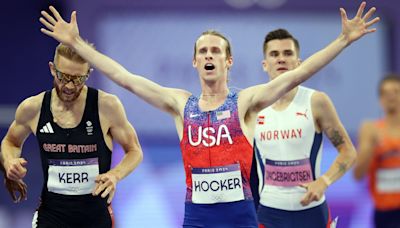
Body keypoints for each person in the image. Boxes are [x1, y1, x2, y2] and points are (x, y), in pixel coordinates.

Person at [39, 2, 379, 227]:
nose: (209, 54)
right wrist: (79, 44)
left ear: (228, 61)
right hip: (197, 218)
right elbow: (125, 78)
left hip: (241, 216)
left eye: (216, 49)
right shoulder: (179, 105)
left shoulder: (245, 102)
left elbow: (297, 75)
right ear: (195, 61)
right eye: (203, 50)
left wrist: (343, 41)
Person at [1, 43, 143, 227]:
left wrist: (115, 175)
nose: (69, 86)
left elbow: (134, 151)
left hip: (95, 218)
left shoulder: (106, 106)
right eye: (63, 77)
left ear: (88, 74)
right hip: (51, 217)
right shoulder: (33, 108)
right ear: (52, 69)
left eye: (77, 79)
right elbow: (11, 142)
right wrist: (9, 162)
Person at [252, 28, 357, 228]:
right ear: (265, 65)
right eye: (274, 54)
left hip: (312, 213)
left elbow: (349, 152)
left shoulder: (316, 101)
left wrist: (324, 182)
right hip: (269, 214)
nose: (281, 59)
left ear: (299, 62)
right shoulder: (253, 106)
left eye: (288, 53)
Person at [354, 75, 400, 228]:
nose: (391, 96)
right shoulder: (370, 130)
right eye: (386, 93)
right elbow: (358, 175)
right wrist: (369, 147)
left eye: (395, 91)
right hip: (384, 213)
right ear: (380, 99)